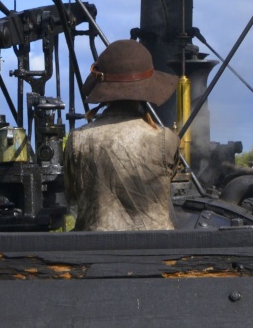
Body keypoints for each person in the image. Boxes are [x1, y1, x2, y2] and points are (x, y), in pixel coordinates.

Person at [63, 39, 181, 231]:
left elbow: (72, 197)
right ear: (148, 87)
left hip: (94, 254)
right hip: (156, 254)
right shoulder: (165, 140)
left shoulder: (77, 140)